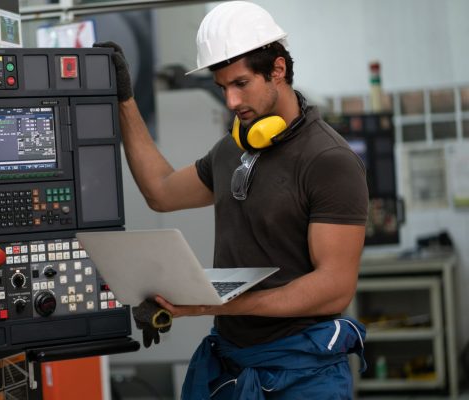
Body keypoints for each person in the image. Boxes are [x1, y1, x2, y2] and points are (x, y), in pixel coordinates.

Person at [97, 1, 368, 398]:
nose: (231, 102)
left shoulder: (329, 161)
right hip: (232, 363)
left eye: (241, 84)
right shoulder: (231, 150)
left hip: (302, 372)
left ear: (278, 70)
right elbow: (161, 192)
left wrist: (210, 306)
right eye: (223, 87)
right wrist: (125, 102)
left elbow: (334, 287)